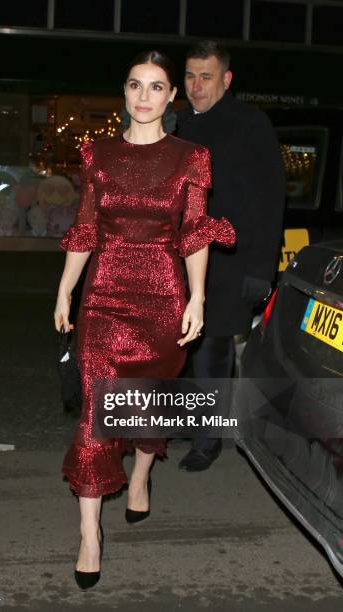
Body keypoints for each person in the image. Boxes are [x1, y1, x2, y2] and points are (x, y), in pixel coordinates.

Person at [54, 50, 236, 590]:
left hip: (160, 295)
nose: (144, 96)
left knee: (144, 400)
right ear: (125, 92)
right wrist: (65, 288)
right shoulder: (99, 155)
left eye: (156, 87)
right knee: (96, 411)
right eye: (135, 85)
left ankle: (140, 475)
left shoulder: (191, 157)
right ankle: (90, 534)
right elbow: (86, 228)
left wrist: (197, 296)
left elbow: (196, 232)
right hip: (104, 295)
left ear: (170, 97)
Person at [177, 41, 285, 472]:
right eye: (189, 76)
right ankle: (188, 421)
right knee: (181, 350)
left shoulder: (251, 124)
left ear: (226, 79)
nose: (196, 85)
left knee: (212, 351)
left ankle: (208, 439)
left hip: (229, 260)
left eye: (205, 76)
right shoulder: (176, 122)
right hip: (178, 260)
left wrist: (261, 269)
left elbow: (270, 198)